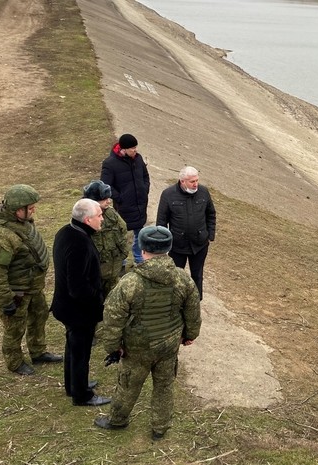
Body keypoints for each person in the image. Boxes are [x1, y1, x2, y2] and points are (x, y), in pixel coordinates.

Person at [94, 226, 201, 440]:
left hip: (137, 348)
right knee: (164, 385)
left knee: (128, 385)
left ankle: (117, 420)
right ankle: (160, 428)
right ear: (168, 248)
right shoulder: (183, 279)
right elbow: (192, 312)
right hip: (169, 344)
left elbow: (113, 319)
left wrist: (113, 348)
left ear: (143, 250)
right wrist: (190, 335)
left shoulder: (130, 282)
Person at [0, 184, 62, 376]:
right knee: (15, 328)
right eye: (30, 207)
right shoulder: (0, 236)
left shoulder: (20, 223)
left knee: (39, 316)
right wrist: (5, 300)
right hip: (17, 292)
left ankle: (38, 351)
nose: (33, 210)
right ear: (18, 209)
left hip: (32, 288)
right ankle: (14, 362)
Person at [50, 199, 110, 406]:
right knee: (81, 352)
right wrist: (98, 302)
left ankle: (74, 385)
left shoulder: (65, 232)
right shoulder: (80, 243)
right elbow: (78, 287)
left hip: (66, 306)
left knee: (74, 349)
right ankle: (82, 395)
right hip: (78, 311)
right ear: (87, 219)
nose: (102, 218)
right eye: (99, 216)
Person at [156, 166, 216, 301]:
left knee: (197, 275)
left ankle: (195, 302)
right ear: (182, 181)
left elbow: (211, 214)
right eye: (192, 181)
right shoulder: (168, 194)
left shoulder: (203, 192)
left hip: (199, 245)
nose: (196, 184)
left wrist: (210, 235)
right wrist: (163, 245)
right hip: (177, 246)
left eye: (197, 180)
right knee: (175, 275)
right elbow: (161, 222)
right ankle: (174, 302)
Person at [100, 134, 150, 266]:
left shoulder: (138, 159)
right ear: (124, 149)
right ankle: (121, 261)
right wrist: (120, 198)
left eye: (135, 147)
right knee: (120, 235)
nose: (135, 150)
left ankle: (139, 259)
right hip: (123, 207)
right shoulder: (110, 164)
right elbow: (106, 184)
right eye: (132, 148)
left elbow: (145, 176)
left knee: (140, 233)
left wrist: (144, 190)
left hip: (140, 204)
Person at [82, 180, 129, 298]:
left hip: (113, 268)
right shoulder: (84, 217)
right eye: (104, 199)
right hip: (96, 273)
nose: (109, 201)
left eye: (109, 197)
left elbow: (122, 229)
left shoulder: (111, 213)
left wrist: (123, 253)